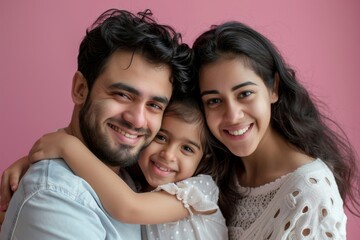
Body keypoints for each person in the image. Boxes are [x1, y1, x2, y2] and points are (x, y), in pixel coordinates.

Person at [0, 8, 192, 239]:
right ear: (81, 89)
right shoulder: (54, 198)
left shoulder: (138, 172)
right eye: (122, 95)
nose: (138, 120)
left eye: (154, 105)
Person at [192, 21, 360, 239]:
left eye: (244, 94)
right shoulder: (217, 171)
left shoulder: (309, 190)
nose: (232, 115)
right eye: (214, 100)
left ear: (274, 89)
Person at [24, 97, 228, 240]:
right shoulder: (136, 181)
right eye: (161, 137)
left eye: (187, 148)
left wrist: (66, 146)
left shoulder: (198, 191)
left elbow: (129, 208)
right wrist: (30, 161)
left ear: (204, 156)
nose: (168, 154)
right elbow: (96, 166)